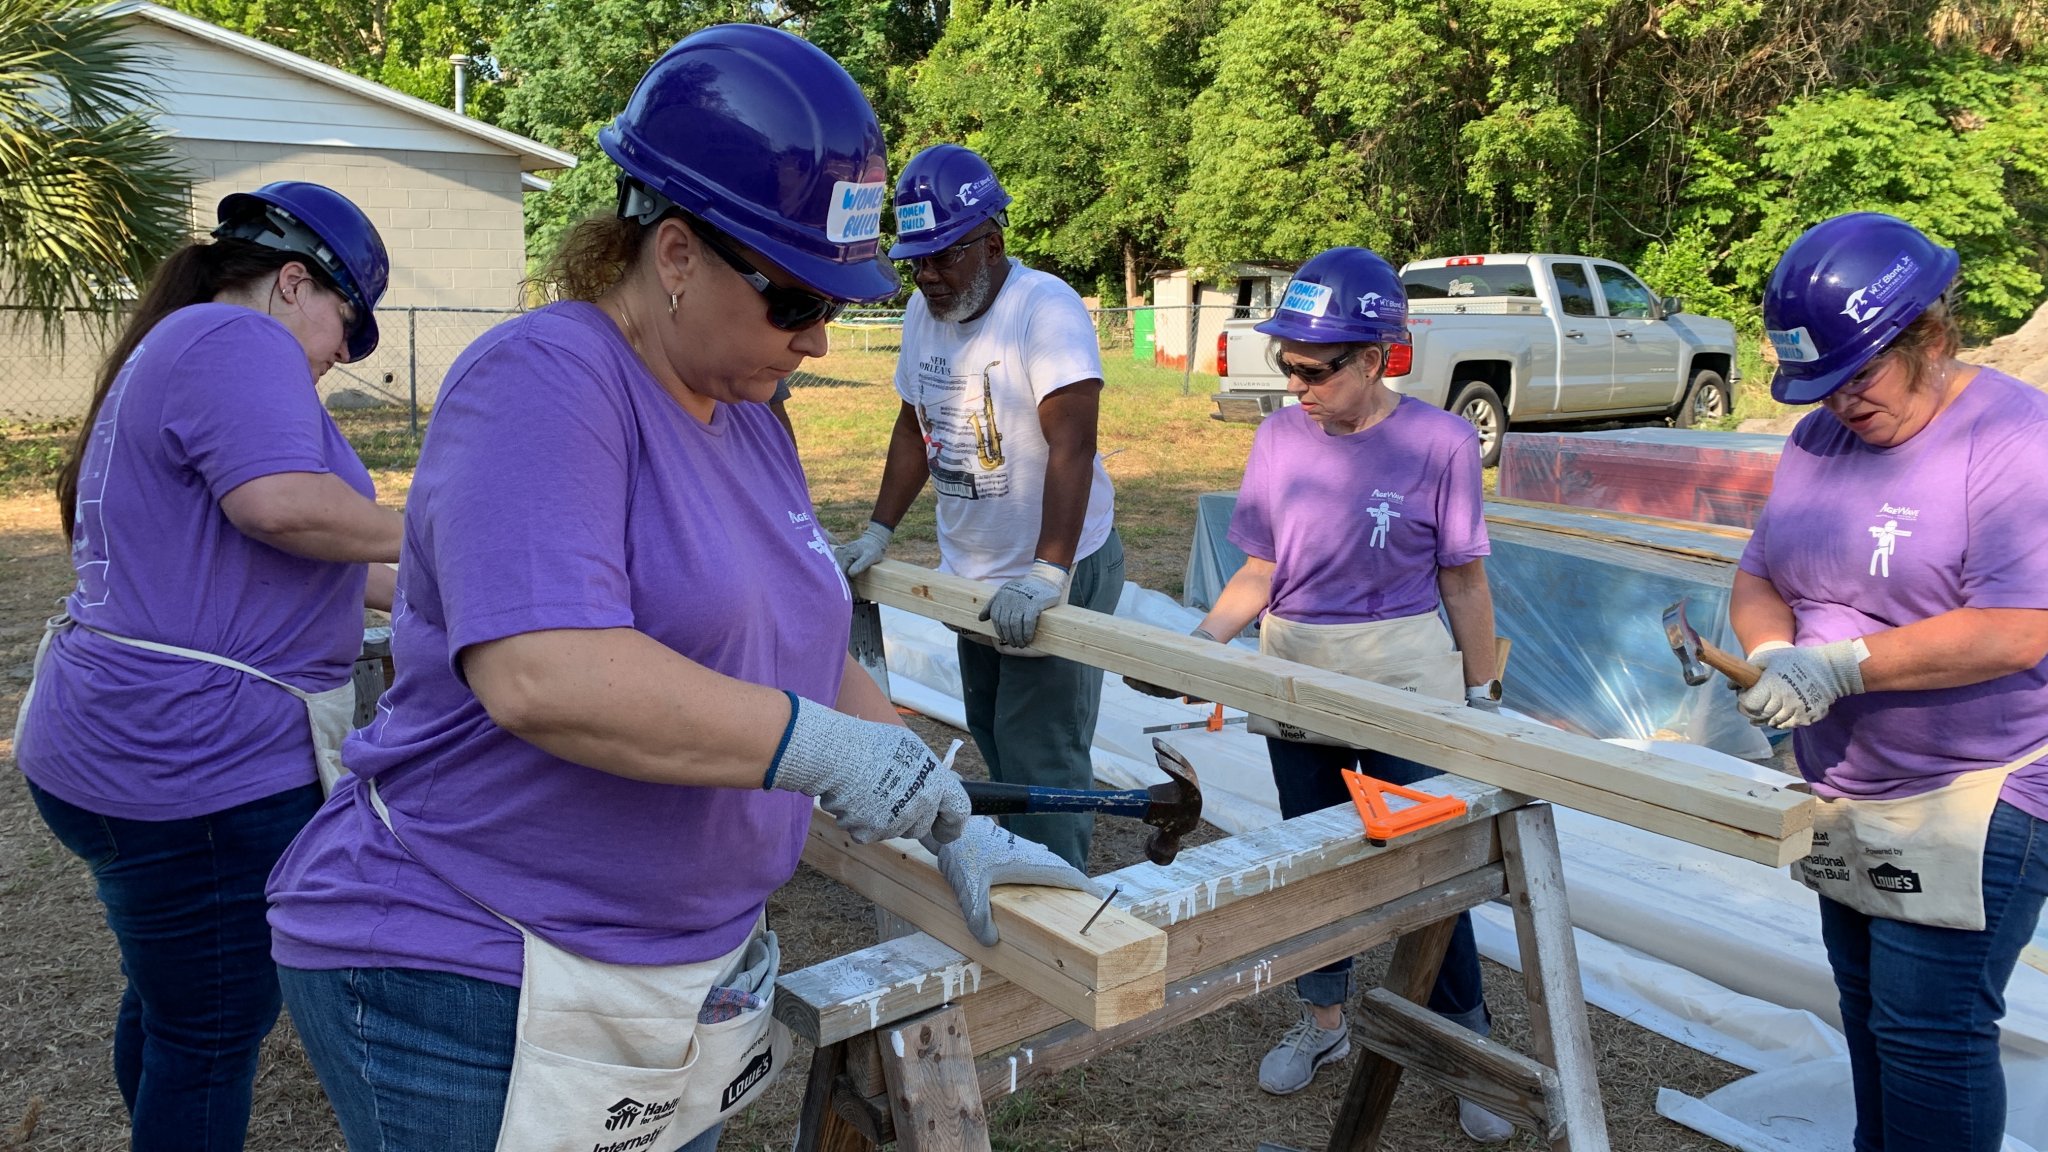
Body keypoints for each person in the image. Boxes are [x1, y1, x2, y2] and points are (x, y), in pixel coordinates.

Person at [264, 27, 1093, 1152]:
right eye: (796, 301)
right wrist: (822, 751)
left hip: (667, 976)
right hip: (476, 966)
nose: (815, 341)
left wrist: (929, 789)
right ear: (675, 254)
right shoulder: (544, 383)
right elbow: (543, 673)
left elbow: (800, 646)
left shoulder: (747, 417)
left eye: (837, 307)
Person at [13, 182, 400, 1152]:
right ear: (296, 284)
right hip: (195, 772)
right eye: (345, 336)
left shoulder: (183, 345)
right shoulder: (238, 342)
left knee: (171, 1004)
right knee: (209, 1036)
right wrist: (462, 530)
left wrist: (455, 585)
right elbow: (280, 509)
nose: (335, 364)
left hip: (121, 749)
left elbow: (287, 560)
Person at [1132, 247, 1512, 1140]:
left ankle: (1467, 1042)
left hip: (1404, 673)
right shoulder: (1278, 439)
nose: (1294, 383)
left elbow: (1463, 579)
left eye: (1313, 368)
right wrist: (1199, 652)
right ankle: (1324, 1022)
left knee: (1425, 861)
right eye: (1286, 364)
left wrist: (1481, 688)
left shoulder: (1442, 442)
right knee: (1315, 856)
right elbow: (1260, 570)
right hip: (1298, 665)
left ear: (1376, 358)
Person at [1733, 212, 2048, 1152]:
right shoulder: (1821, 440)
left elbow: (2019, 628)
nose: (1837, 404)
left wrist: (1840, 666)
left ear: (1934, 339)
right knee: (1872, 1016)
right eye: (1818, 386)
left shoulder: (2013, 442)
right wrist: (1770, 655)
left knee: (1930, 1038)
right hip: (1845, 785)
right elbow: (1760, 573)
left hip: (1975, 791)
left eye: (1856, 376)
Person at [835, 143, 1122, 871]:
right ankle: (1018, 870)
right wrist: (879, 528)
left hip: (1057, 560)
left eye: (943, 258)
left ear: (992, 244)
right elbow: (913, 425)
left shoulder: (1043, 310)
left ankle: (1057, 912)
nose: (927, 276)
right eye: (917, 262)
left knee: (1043, 752)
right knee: (994, 730)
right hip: (975, 571)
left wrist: (1049, 575)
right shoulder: (923, 316)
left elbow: (1073, 448)